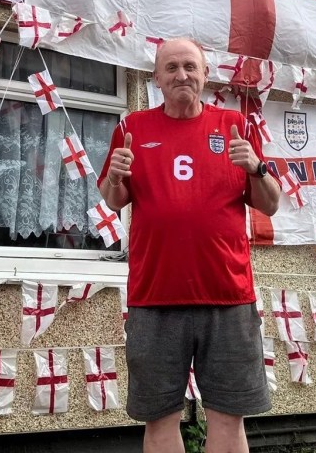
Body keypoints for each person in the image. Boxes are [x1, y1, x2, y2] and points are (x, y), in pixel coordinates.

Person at [99, 37, 280, 453]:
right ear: (157, 78)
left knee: (229, 419)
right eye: (172, 67)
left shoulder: (233, 126)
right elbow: (115, 201)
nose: (182, 75)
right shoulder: (132, 128)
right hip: (155, 297)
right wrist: (114, 175)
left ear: (205, 74)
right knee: (159, 420)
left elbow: (269, 203)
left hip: (228, 296)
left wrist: (256, 167)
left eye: (190, 67)